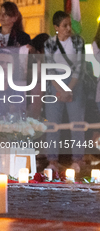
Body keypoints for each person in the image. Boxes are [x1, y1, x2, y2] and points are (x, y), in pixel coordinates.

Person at [44, 11, 86, 173]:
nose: (68, 28)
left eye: (69, 25)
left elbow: (80, 67)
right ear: (56, 27)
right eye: (64, 26)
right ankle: (52, 160)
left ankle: (78, 159)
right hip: (55, 85)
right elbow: (49, 68)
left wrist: (69, 89)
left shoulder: (78, 42)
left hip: (75, 84)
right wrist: (59, 89)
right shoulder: (49, 44)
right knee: (53, 124)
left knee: (77, 124)